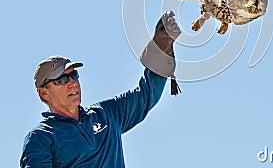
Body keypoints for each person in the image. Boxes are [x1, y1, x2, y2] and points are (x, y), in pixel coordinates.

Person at [20, 11, 181, 168]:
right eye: (62, 80)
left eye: (74, 75)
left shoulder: (105, 114)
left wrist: (161, 51)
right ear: (44, 93)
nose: (72, 83)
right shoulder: (41, 137)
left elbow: (145, 96)